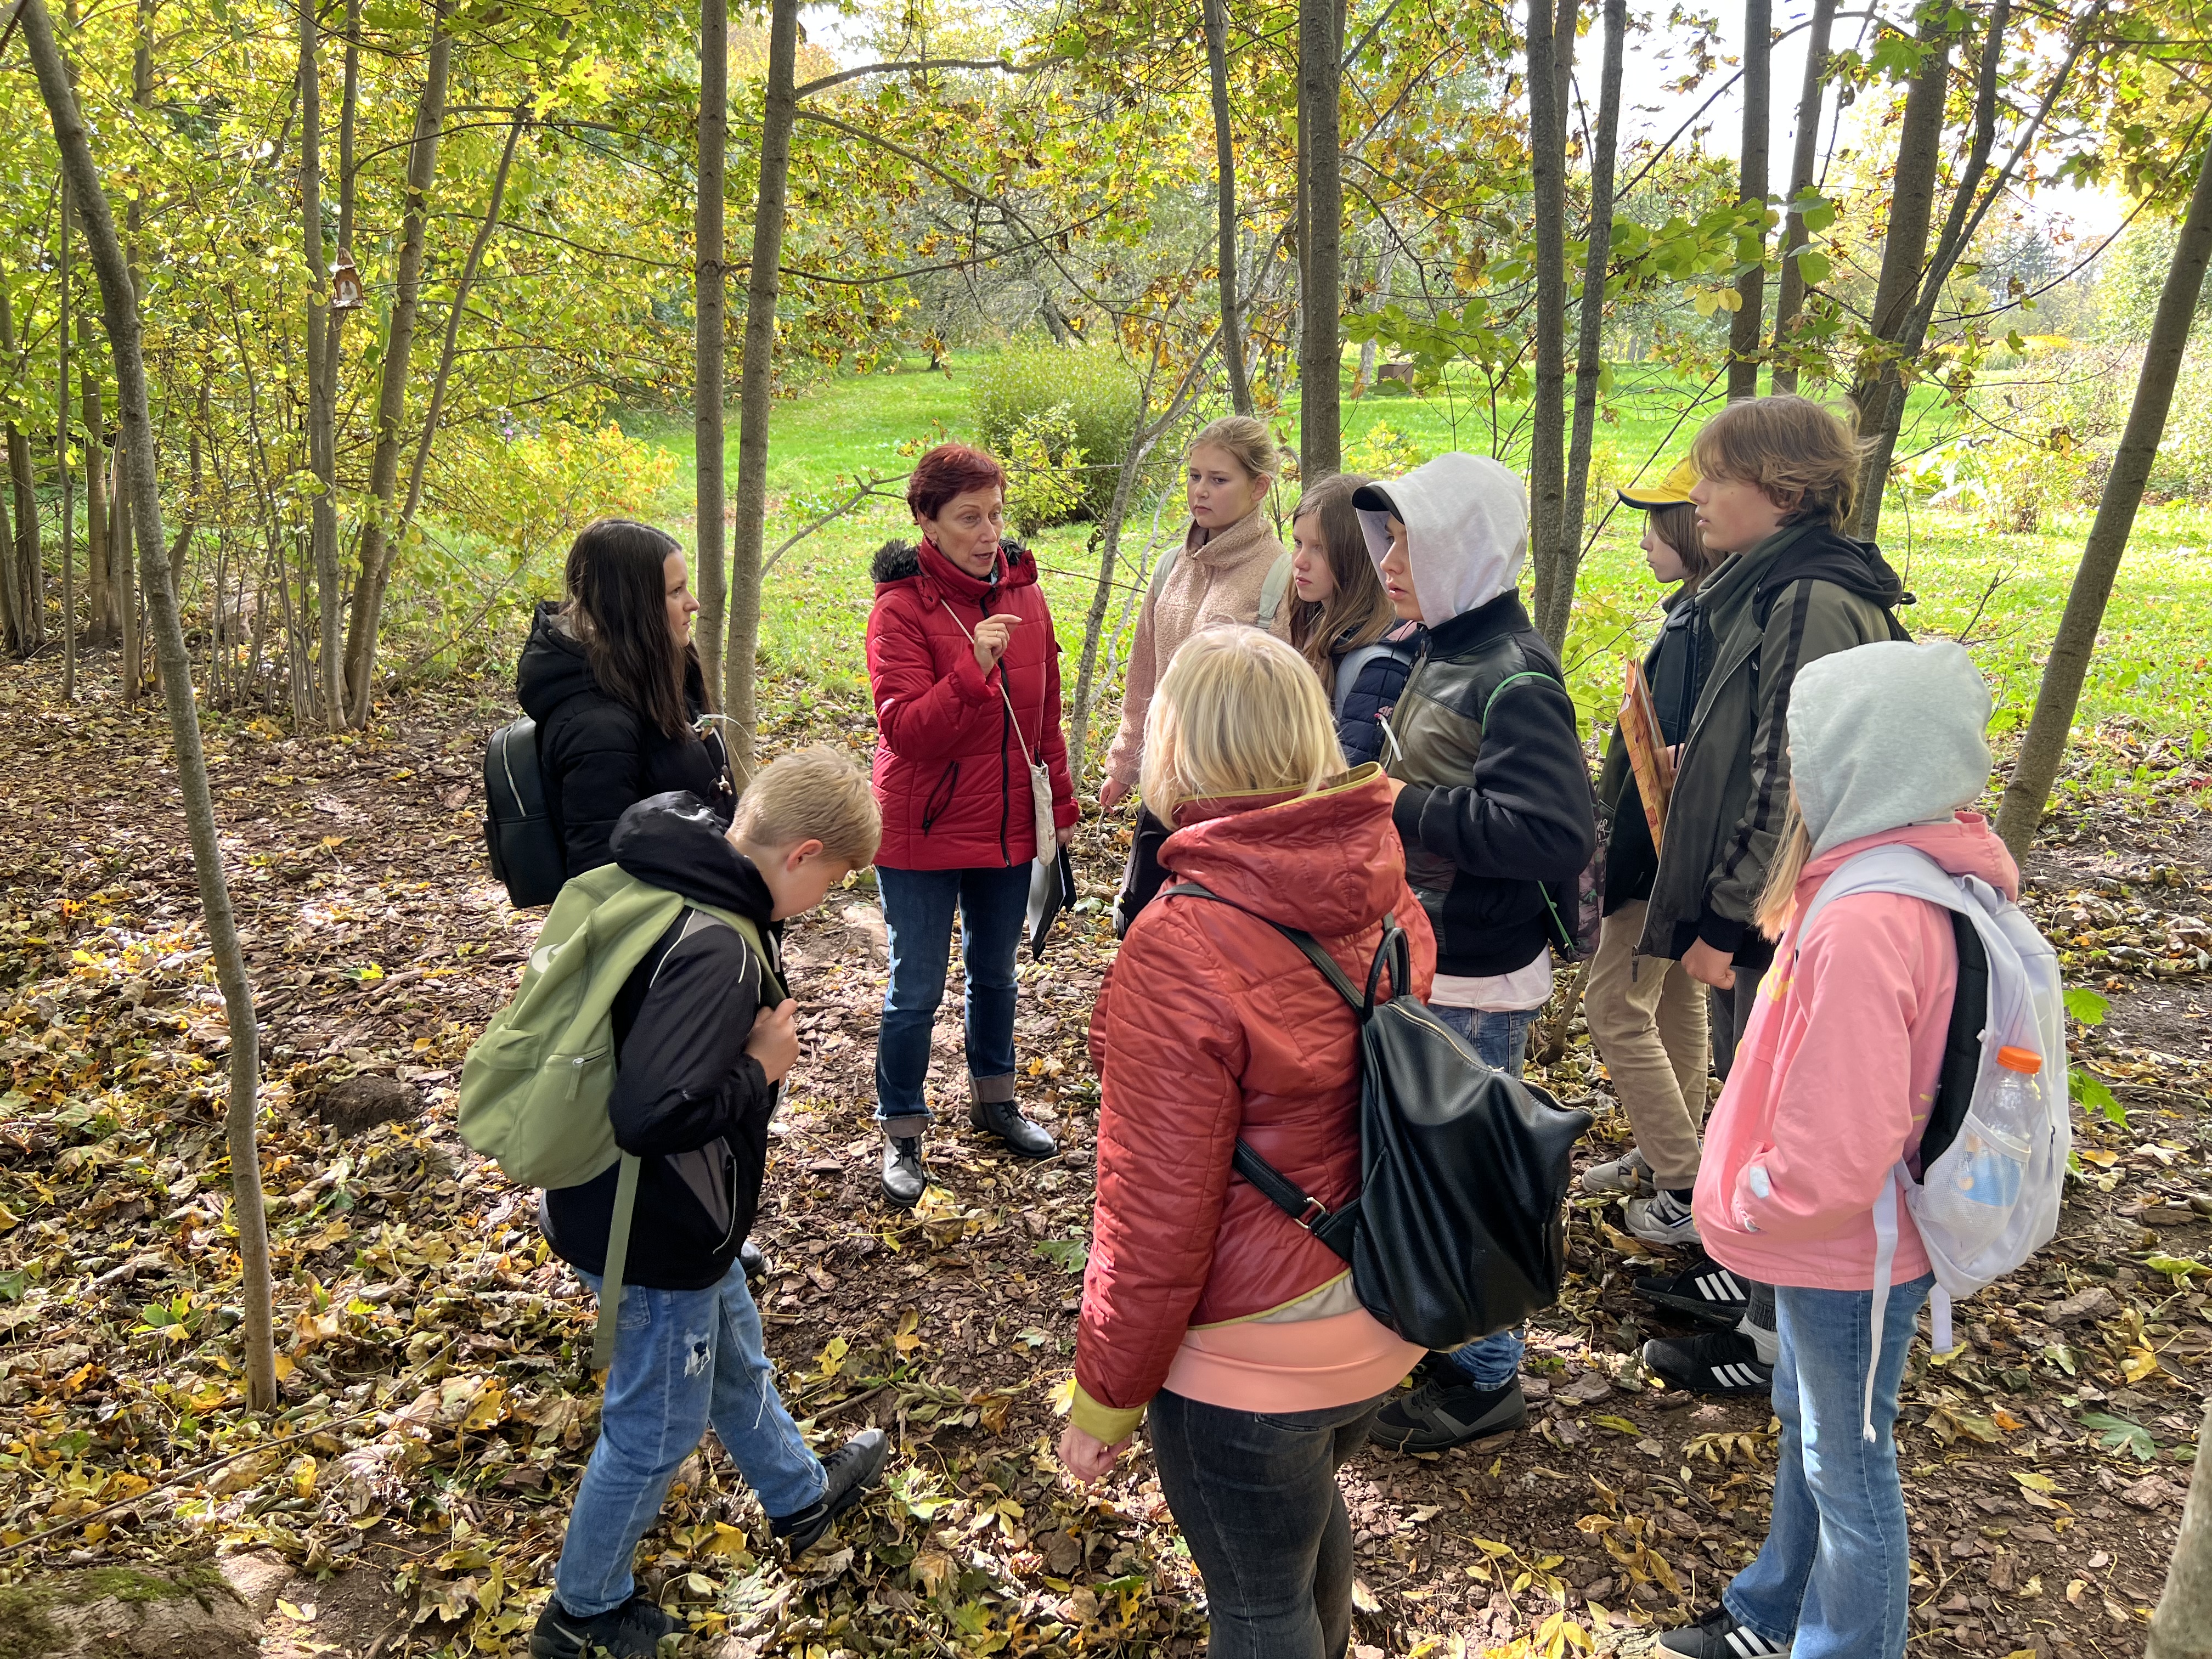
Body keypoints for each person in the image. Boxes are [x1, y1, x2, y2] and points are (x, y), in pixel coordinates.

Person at [1060, 627, 1435, 1659]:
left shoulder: (1180, 937)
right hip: (1379, 1294)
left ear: (1180, 744)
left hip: (1256, 1342)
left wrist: (1104, 1395)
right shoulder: (1379, 876)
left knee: (1253, 1597)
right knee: (1300, 1527)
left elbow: (1154, 1211)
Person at [1657, 640, 2002, 1659]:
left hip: (1849, 1243)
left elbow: (1839, 1144)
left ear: (1865, 757)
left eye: (1807, 748)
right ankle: (1772, 1608)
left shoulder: (1866, 919)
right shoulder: (1902, 877)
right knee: (1815, 1433)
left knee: (1849, 1468)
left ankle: (1841, 1641)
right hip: (1853, 1240)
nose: (1793, 773)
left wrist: (1753, 1198)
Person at [531, 750, 892, 1659]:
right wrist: (759, 1069)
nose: (824, 900)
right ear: (802, 854)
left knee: (734, 1361)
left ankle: (800, 1494)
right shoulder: (719, 944)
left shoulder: (680, 866)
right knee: (656, 1427)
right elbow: (652, 1112)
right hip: (652, 1228)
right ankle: (582, 1611)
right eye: (836, 880)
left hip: (657, 1214)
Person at [1631, 396, 1912, 1398]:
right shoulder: (1775, 584)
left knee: (1775, 1109)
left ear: (1782, 492)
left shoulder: (1805, 596)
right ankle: (1747, 1279)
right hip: (1781, 903)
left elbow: (1792, 775)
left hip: (1780, 911)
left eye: (1716, 477)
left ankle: (1763, 1337)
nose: (1696, 496)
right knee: (1759, 1099)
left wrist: (1728, 922)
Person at [1347, 454, 1598, 1455]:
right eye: (1388, 539)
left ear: (1468, 546)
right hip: (1425, 955)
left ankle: (1489, 1375)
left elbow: (1551, 831)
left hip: (1479, 970)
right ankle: (1447, 1340)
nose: (1391, 561)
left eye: (1411, 540)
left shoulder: (1514, 671)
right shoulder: (1437, 646)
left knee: (1468, 1163)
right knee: (1425, 1160)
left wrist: (1394, 801)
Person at [864, 443, 1078, 1206]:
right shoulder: (900, 608)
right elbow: (908, 731)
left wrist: (1062, 803)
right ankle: (902, 1132)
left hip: (1007, 824)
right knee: (915, 989)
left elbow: (1045, 715)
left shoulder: (1026, 592)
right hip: (921, 830)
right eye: (967, 518)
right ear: (926, 520)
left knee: (997, 974)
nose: (988, 533)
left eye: (995, 513)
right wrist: (973, 671)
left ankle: (995, 1102)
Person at [1579, 460, 1719, 1247]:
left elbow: (1673, 759)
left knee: (1614, 1006)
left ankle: (1682, 1182)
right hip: (1664, 854)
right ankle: (1677, 1148)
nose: (1643, 543)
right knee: (1671, 1000)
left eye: (1655, 526)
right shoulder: (1693, 617)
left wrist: (1625, 864)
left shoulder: (1702, 628)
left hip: (1659, 858)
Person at [1099, 415, 1292, 933]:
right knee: (1142, 927)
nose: (1200, 491)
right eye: (1193, 476)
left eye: (1218, 479)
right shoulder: (1170, 567)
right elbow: (1144, 675)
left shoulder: (1280, 575)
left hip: (1237, 797)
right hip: (1164, 789)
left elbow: (1294, 698)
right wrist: (1126, 761)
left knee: (1216, 938)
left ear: (1260, 488)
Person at [517, 518, 731, 878]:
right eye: (676, 591)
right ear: (631, 605)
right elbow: (602, 883)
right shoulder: (597, 730)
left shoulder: (666, 670)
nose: (692, 603)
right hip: (673, 930)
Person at [1285, 471, 1423, 767]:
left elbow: (1353, 782)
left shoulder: (1380, 662)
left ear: (1358, 554)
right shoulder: (1315, 624)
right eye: (1297, 543)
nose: (1300, 561)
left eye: (1319, 549)